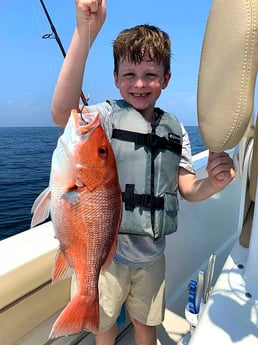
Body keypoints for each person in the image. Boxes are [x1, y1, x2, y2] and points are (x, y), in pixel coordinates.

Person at [51, 1, 235, 344]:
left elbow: (188, 187)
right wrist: (83, 33)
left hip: (152, 257)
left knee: (146, 327)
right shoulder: (103, 118)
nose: (140, 83)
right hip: (104, 256)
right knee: (103, 327)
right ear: (116, 79)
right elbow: (63, 111)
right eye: (129, 75)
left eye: (150, 74)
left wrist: (213, 183)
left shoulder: (174, 128)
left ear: (165, 79)